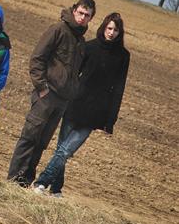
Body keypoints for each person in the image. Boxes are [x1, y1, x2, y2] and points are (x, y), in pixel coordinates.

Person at [33, 13, 129, 197]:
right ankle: (56, 190)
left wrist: (111, 120)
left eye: (116, 30)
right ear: (103, 28)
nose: (112, 32)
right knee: (62, 149)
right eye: (109, 28)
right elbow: (73, 74)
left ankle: (41, 182)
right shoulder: (89, 47)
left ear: (120, 32)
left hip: (95, 113)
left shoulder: (123, 56)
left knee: (66, 150)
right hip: (74, 105)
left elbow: (119, 88)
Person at [7, 0, 96, 187]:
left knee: (42, 142)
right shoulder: (58, 30)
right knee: (29, 137)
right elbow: (37, 59)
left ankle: (24, 182)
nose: (82, 17)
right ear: (74, 11)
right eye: (80, 12)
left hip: (62, 101)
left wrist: (72, 92)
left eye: (87, 15)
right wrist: (42, 87)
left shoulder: (81, 41)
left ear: (91, 19)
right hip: (46, 96)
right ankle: (13, 180)